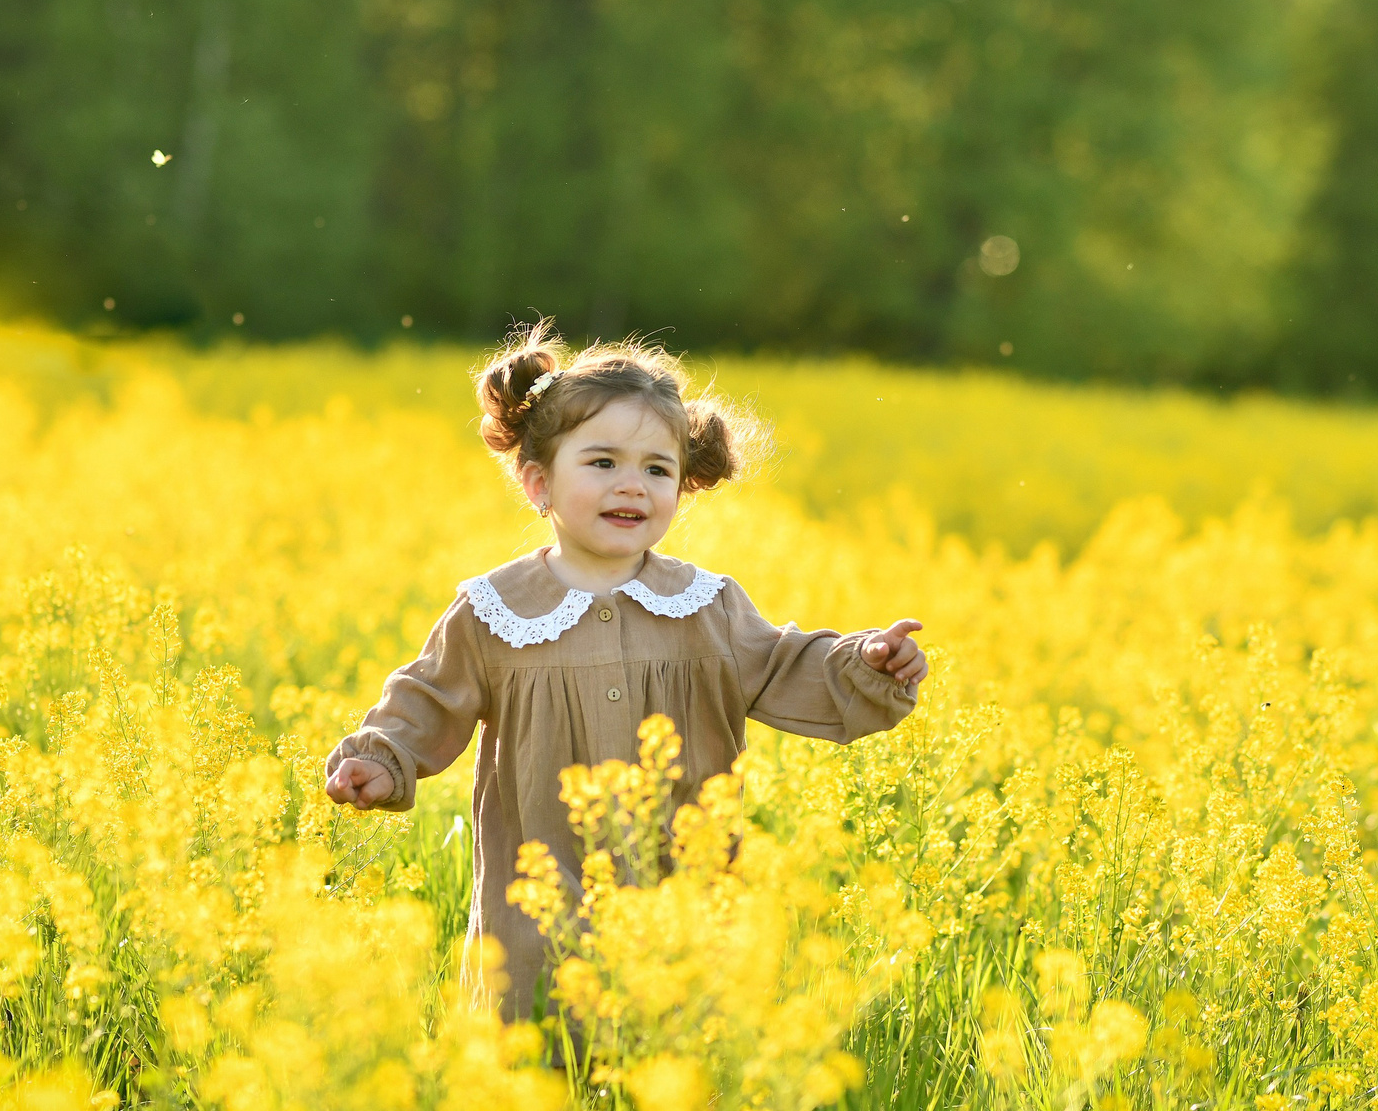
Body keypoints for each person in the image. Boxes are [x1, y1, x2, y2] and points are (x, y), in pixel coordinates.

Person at [323, 322, 928, 1018]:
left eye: (656, 468)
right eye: (603, 462)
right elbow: (428, 694)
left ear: (681, 484)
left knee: (678, 1077)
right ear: (537, 482)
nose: (632, 485)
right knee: (540, 1064)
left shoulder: (707, 606)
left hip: (684, 907)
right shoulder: (494, 610)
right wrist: (385, 756)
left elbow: (789, 665)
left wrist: (869, 663)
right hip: (541, 907)